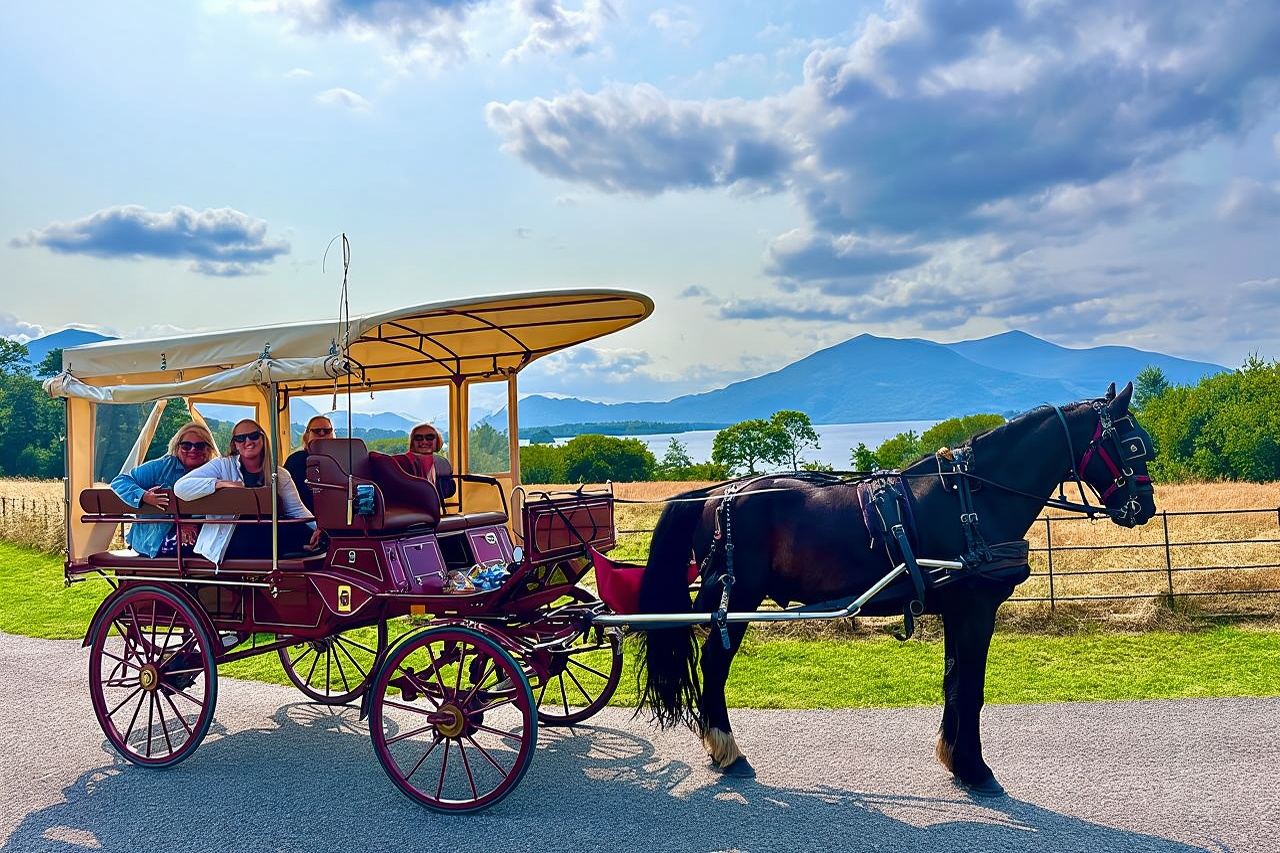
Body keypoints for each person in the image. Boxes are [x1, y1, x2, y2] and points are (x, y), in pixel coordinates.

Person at [175, 418, 321, 564]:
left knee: (286, 528)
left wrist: (317, 529)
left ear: (262, 439)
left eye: (253, 436)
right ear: (235, 444)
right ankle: (299, 544)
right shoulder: (222, 465)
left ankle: (304, 543)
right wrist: (220, 483)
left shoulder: (279, 474)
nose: (248, 441)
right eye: (240, 438)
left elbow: (296, 510)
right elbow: (181, 487)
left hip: (265, 537)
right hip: (229, 540)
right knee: (270, 528)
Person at [110, 421, 218, 557]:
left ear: (209, 449)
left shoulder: (215, 470)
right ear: (176, 447)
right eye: (186, 446)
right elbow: (120, 481)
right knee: (208, 548)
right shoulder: (162, 467)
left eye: (200, 446)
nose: (192, 450)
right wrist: (144, 496)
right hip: (155, 539)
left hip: (200, 534)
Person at [391, 422, 456, 500]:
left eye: (430, 437)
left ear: (437, 440)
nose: (424, 441)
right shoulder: (400, 461)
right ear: (412, 442)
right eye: (418, 437)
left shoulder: (440, 462)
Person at [283, 414, 333, 512]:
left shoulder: (343, 460)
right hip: (302, 517)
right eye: (317, 431)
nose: (322, 434)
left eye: (327, 431)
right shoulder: (294, 461)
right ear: (307, 436)